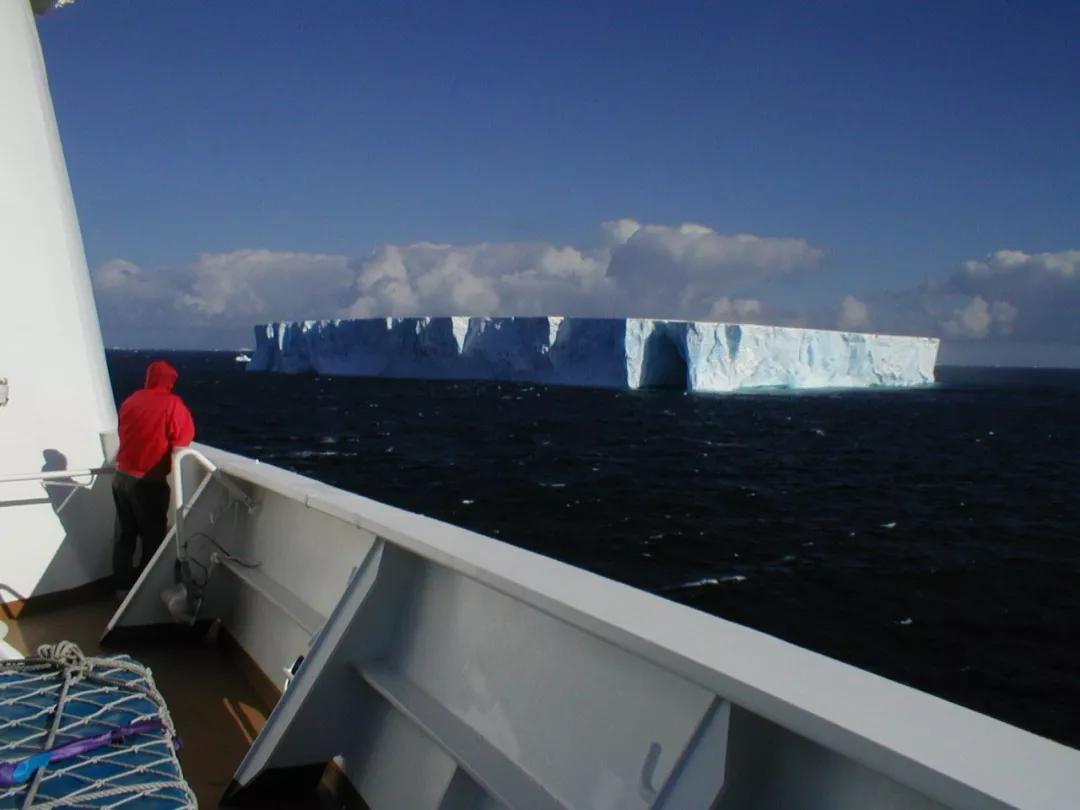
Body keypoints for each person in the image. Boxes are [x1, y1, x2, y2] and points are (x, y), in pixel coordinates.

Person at [112, 359, 195, 595]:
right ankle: (144, 592)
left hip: (121, 477)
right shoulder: (173, 405)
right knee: (152, 537)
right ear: (171, 381)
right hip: (148, 482)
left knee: (124, 535)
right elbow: (182, 441)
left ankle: (121, 587)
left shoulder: (130, 401)